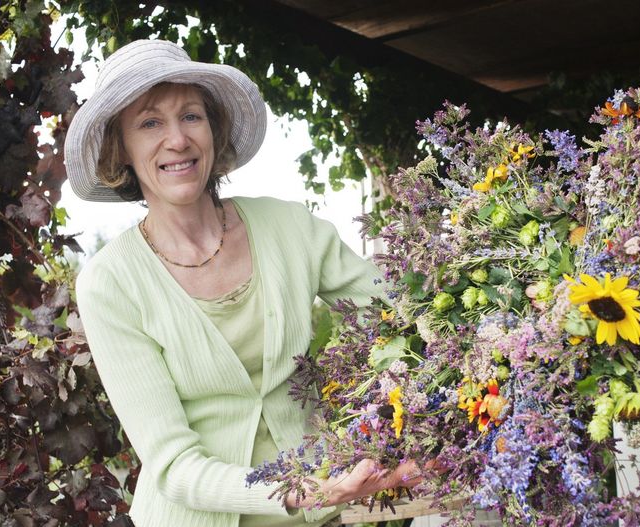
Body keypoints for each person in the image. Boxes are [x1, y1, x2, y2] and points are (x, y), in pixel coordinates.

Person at [66, 39, 415, 527]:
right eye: (149, 123)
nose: (177, 140)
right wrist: (308, 490)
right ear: (119, 148)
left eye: (191, 116)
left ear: (213, 128)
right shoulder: (110, 284)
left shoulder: (291, 227)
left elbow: (405, 313)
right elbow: (174, 467)